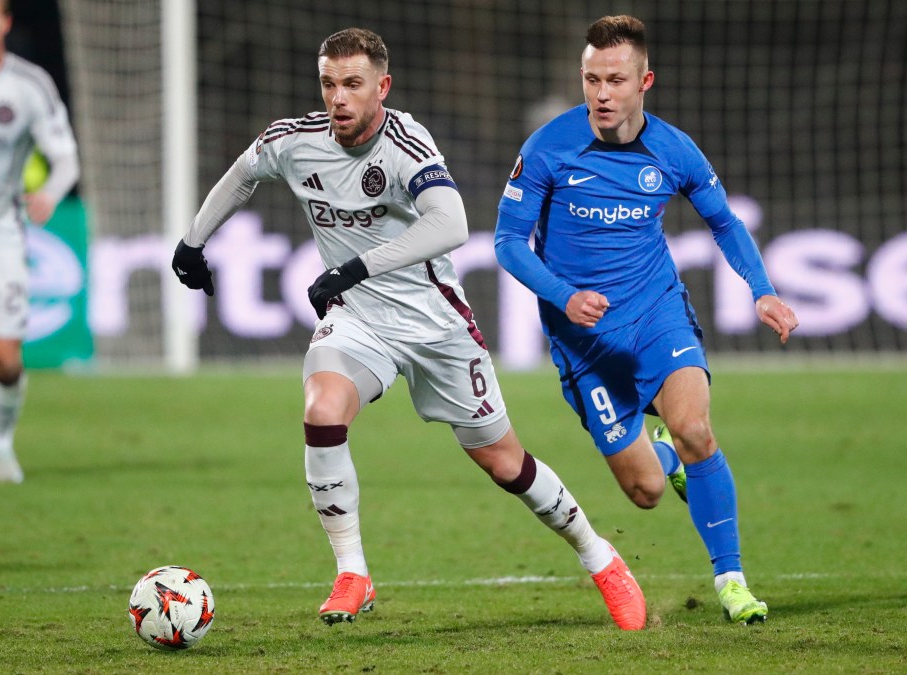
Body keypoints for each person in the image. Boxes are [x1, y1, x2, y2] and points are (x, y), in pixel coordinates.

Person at [172, 27, 646, 630]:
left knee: (505, 463)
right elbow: (244, 173)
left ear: (382, 87)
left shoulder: (406, 143)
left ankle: (601, 558)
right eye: (328, 84)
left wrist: (353, 266)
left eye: (352, 84)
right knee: (322, 410)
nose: (338, 98)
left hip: (434, 323)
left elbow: (450, 224)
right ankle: (353, 572)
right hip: (359, 319)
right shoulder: (293, 142)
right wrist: (193, 241)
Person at [494, 15, 799, 625]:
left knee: (696, 430)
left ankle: (732, 580)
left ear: (644, 81)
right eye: (590, 80)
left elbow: (725, 222)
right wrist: (563, 295)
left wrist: (762, 290)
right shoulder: (549, 147)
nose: (601, 93)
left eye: (614, 80)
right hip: (583, 343)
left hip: (657, 313)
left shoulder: (675, 149)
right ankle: (665, 460)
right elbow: (507, 242)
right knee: (646, 493)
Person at [0, 0, 80, 483]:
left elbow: (66, 158)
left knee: (5, 360)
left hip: (0, 234)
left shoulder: (28, 86)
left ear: (4, 23)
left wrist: (47, 193)